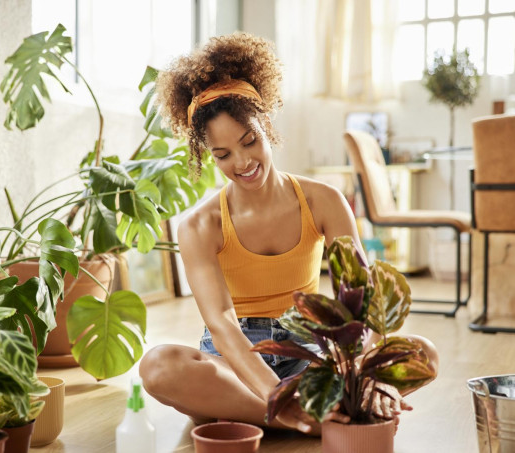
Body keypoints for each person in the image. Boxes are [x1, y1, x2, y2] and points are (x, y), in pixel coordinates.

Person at [139, 32, 438, 435]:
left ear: (267, 124)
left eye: (250, 141)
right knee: (159, 366)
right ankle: (313, 418)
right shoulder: (199, 225)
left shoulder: (324, 201)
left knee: (423, 353)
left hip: (311, 350)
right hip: (235, 362)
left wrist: (361, 370)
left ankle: (260, 415)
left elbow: (362, 300)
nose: (243, 162)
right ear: (206, 154)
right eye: (222, 155)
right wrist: (276, 396)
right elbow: (223, 326)